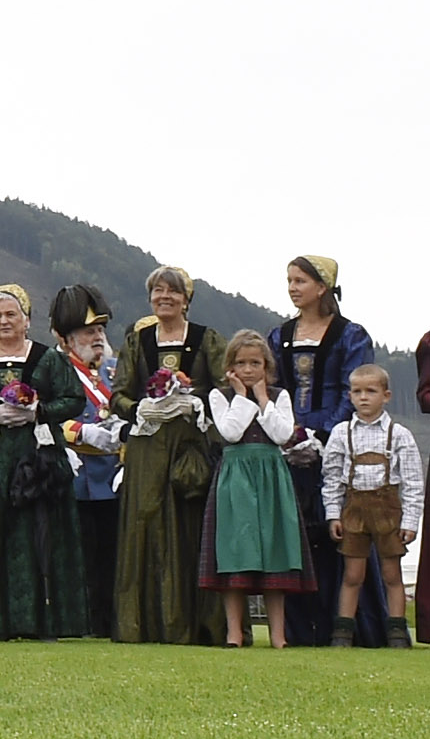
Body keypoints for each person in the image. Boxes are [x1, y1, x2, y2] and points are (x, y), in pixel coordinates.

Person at [0, 285, 87, 640]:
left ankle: (43, 620)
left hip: (37, 461)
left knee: (39, 535)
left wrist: (39, 411)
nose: (4, 321)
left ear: (27, 319)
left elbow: (73, 399)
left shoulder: (50, 360)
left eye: (11, 314)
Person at [271, 257, 381, 647]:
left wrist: (322, 434)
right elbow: (275, 386)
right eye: (289, 280)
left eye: (300, 280)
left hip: (336, 444)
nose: (292, 287)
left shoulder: (351, 335)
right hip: (288, 443)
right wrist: (286, 431)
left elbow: (357, 388)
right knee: (294, 532)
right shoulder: (280, 334)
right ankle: (299, 627)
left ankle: (351, 624)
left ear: (322, 287)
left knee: (341, 530)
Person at [110, 266, 221, 645]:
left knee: (188, 528)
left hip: (189, 446)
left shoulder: (207, 340)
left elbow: (224, 386)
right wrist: (139, 409)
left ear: (186, 299)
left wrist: (197, 404)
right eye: (157, 291)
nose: (164, 298)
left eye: (172, 292)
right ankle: (141, 624)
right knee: (145, 526)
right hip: (147, 445)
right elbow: (118, 393)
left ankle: (193, 624)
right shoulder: (137, 340)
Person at [202, 332, 311, 649]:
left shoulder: (279, 397)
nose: (248, 370)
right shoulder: (220, 396)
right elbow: (230, 432)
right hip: (235, 477)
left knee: (274, 551)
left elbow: (281, 435)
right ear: (230, 367)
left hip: (270, 477)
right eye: (241, 363)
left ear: (267, 366)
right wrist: (242, 397)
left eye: (255, 363)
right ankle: (234, 633)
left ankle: (279, 635)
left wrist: (263, 399)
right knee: (235, 552)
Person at [322, 364, 418, 649]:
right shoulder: (341, 433)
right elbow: (331, 479)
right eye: (357, 391)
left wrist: (411, 522)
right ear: (349, 395)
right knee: (353, 575)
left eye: (371, 391)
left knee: (392, 573)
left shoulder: (399, 434)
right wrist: (332, 514)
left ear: (386, 395)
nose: (363, 397)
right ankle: (343, 633)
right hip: (353, 510)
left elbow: (413, 483)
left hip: (388, 511)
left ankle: (398, 633)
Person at [50, 284, 124, 637]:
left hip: (114, 474)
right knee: (82, 557)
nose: (97, 337)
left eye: (100, 331)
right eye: (89, 331)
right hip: (77, 474)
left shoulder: (114, 369)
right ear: (67, 338)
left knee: (112, 555)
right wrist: (80, 432)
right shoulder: (55, 369)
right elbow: (47, 416)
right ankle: (81, 621)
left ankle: (110, 621)